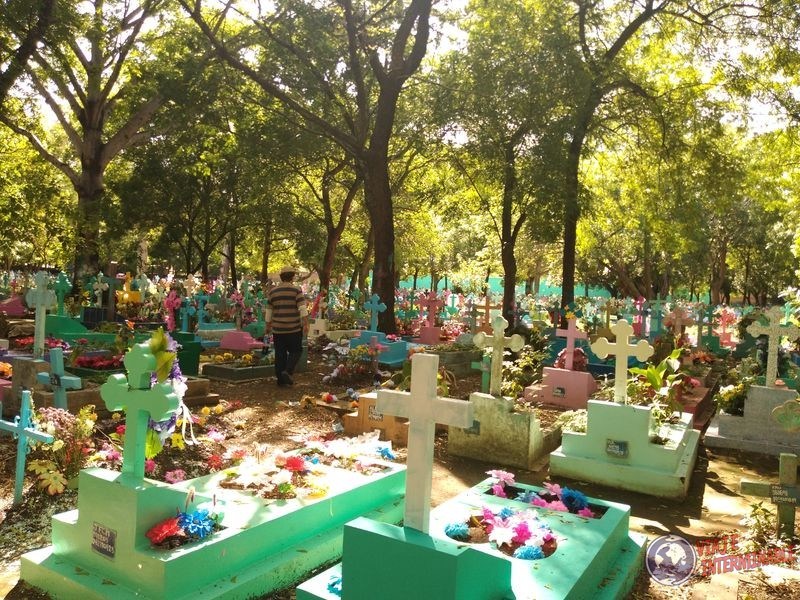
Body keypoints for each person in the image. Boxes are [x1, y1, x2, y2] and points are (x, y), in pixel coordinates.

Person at [265, 266, 308, 386]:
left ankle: (280, 380)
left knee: (280, 354)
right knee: (296, 351)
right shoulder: (296, 290)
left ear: (281, 277)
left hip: (278, 329)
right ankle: (288, 371)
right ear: (292, 277)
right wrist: (306, 323)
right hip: (293, 328)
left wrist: (268, 326)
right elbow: (302, 308)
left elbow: (269, 311)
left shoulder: (273, 292)